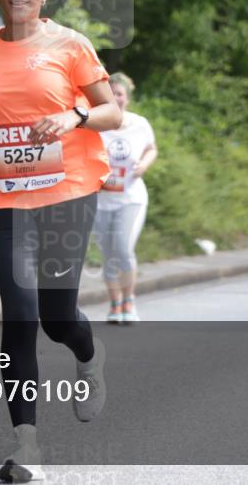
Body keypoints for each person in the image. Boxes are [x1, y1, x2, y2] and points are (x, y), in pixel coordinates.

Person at [0, 0, 121, 483]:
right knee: (19, 320)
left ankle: (89, 360)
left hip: (68, 193)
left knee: (57, 318)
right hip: (7, 198)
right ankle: (27, 448)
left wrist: (73, 117)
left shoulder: (70, 44)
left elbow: (113, 111)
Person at [92, 72, 157, 324]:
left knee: (122, 247)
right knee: (107, 253)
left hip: (131, 198)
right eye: (111, 93)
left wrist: (143, 164)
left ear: (126, 98)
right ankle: (115, 302)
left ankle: (129, 300)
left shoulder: (140, 123)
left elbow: (152, 148)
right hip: (101, 201)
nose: (115, 98)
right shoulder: (96, 124)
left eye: (119, 94)